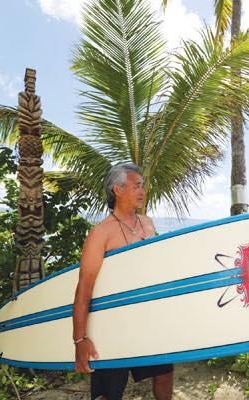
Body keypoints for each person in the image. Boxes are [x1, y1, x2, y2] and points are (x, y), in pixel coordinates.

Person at [72, 163, 174, 400]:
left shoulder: (147, 223)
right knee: (109, 391)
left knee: (165, 373)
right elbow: (84, 288)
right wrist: (80, 339)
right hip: (113, 322)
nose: (142, 191)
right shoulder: (101, 234)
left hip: (148, 318)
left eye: (143, 186)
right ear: (117, 190)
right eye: (137, 185)